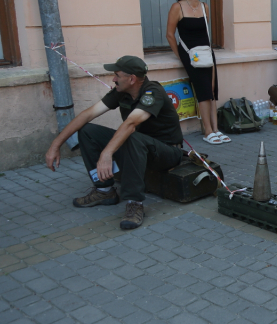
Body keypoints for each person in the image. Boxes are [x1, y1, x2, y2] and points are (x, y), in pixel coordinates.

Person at [44, 56, 184, 230]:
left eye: (117, 75)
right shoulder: (122, 92)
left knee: (130, 135)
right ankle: (104, 191)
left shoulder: (152, 92)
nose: (113, 79)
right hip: (138, 149)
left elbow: (131, 124)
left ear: (131, 79)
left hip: (166, 153)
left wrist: (106, 153)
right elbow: (87, 114)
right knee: (88, 131)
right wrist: (55, 145)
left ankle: (134, 203)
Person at [166, 0, 229, 146]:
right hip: (190, 54)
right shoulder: (177, 7)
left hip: (206, 52)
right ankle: (207, 130)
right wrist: (181, 56)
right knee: (203, 91)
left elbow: (204, 33)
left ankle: (216, 129)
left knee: (212, 90)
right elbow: (170, 35)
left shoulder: (204, 7)